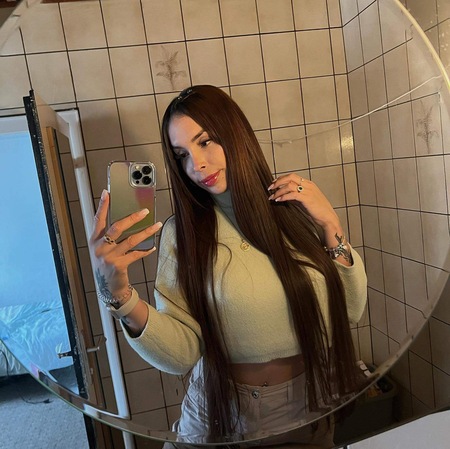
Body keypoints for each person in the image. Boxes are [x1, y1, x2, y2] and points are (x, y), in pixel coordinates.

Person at [89, 85, 367, 447]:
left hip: (307, 402)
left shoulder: (293, 205)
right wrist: (120, 296)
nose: (196, 165)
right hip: (220, 409)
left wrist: (330, 225)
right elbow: (182, 354)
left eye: (205, 142)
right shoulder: (184, 234)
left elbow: (350, 310)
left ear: (235, 133)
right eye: (182, 155)